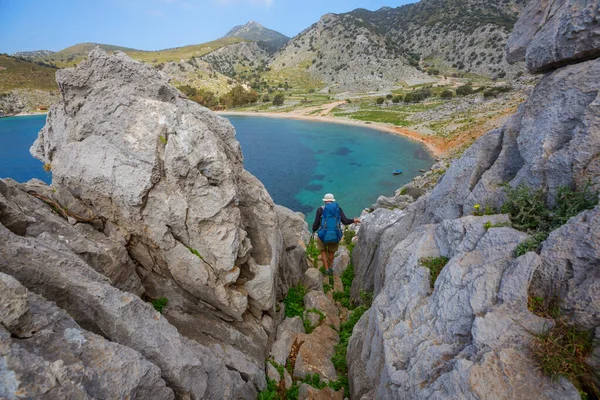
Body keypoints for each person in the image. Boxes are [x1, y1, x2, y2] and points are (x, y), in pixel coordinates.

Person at [312, 193, 360, 274]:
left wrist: (313, 230)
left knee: (323, 251)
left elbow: (316, 224)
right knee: (331, 252)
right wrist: (353, 220)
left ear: (325, 201)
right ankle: (331, 267)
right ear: (333, 201)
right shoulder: (338, 209)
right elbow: (345, 221)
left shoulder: (320, 209)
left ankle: (326, 269)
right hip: (335, 235)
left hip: (323, 235)